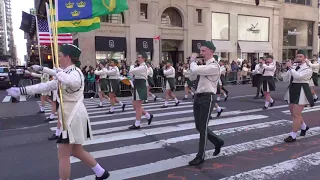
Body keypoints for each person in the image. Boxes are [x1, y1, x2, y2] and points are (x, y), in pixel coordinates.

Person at [6, 44, 110, 180]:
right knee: (76, 150)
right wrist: (22, 91)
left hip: (73, 115)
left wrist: (54, 71)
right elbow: (45, 86)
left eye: (60, 56)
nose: (59, 59)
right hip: (69, 115)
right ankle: (101, 172)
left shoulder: (76, 73)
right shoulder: (65, 73)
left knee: (63, 154)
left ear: (67, 57)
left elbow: (71, 81)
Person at [188, 41, 224, 166]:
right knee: (199, 126)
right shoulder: (204, 65)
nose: (201, 53)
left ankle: (200, 156)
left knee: (202, 127)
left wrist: (192, 60)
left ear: (211, 51)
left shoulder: (214, 66)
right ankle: (218, 141)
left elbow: (195, 69)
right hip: (198, 96)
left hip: (207, 98)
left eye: (203, 51)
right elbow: (192, 74)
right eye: (201, 51)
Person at [282, 50, 313, 143]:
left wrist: (291, 68)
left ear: (305, 57)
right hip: (292, 89)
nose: (298, 58)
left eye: (301, 56)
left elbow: (298, 77)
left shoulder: (308, 68)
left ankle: (293, 135)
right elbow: (284, 79)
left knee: (296, 114)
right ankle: (304, 127)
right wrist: (286, 69)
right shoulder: (294, 67)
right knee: (293, 113)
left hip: (302, 90)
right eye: (297, 56)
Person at [128, 52, 154, 129]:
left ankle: (137, 124)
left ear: (143, 58)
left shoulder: (143, 67)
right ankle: (148, 116)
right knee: (135, 106)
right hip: (137, 85)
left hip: (140, 85)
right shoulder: (140, 66)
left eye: (139, 57)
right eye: (138, 57)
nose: (138, 59)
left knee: (138, 106)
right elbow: (131, 74)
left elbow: (132, 71)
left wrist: (132, 65)